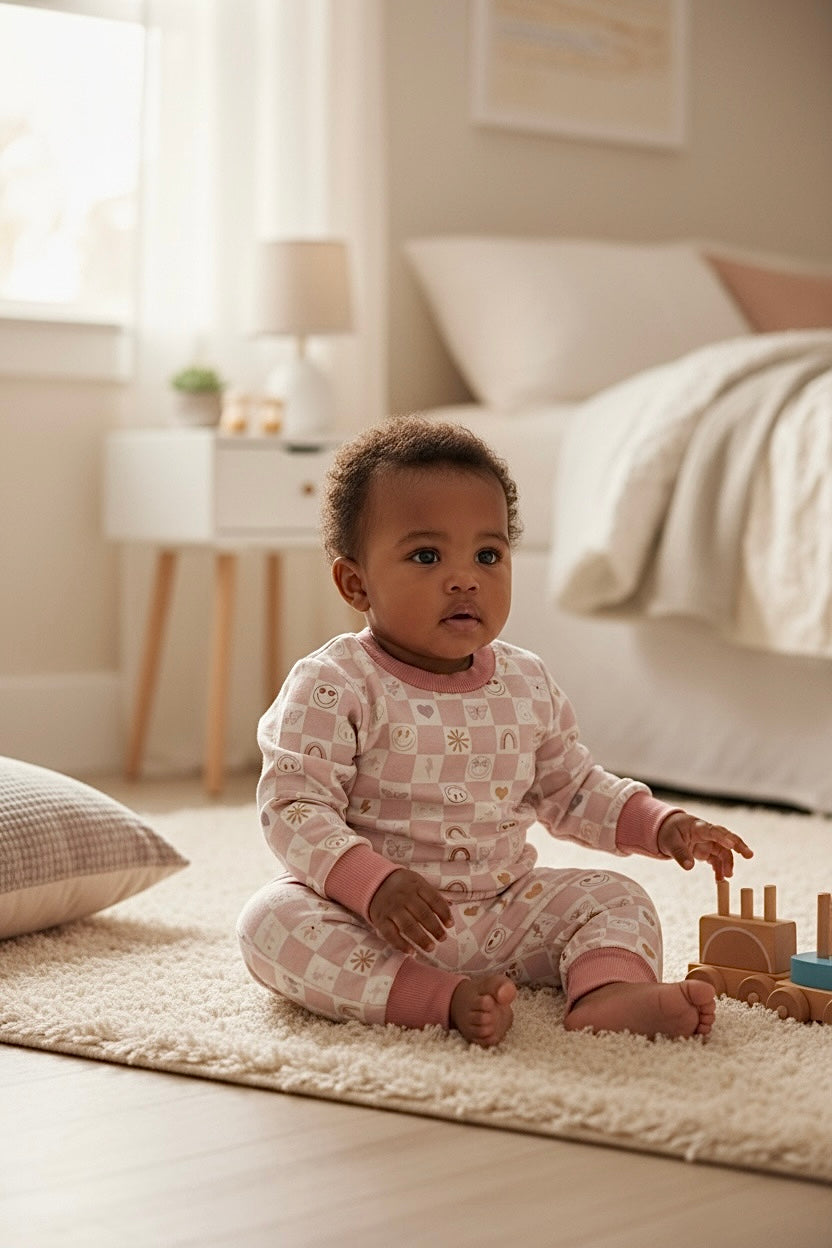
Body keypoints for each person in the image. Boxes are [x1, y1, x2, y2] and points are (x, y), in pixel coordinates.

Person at [237, 417, 753, 1048]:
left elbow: (573, 789)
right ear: (356, 583)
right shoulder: (333, 682)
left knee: (616, 896)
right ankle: (437, 999)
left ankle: (609, 993)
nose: (465, 578)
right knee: (270, 923)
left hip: (505, 911)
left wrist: (660, 823)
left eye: (488, 554)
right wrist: (371, 885)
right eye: (427, 556)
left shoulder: (525, 681)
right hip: (376, 920)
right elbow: (294, 806)